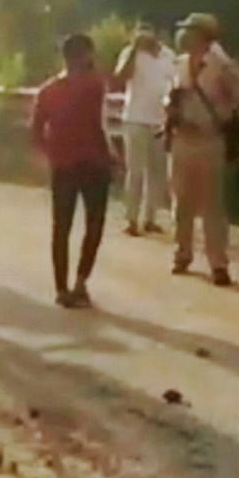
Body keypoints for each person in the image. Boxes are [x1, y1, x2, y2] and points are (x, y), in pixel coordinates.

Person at [165, 13, 239, 285]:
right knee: (181, 202)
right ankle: (182, 253)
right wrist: (171, 109)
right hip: (182, 138)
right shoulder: (178, 64)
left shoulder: (223, 67)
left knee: (212, 205)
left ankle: (218, 263)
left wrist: (237, 132)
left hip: (210, 139)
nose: (185, 35)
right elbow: (168, 97)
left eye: (191, 31)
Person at [31, 34, 115, 308]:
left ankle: (60, 287)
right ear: (87, 54)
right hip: (94, 163)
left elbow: (35, 132)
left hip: (63, 165)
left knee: (61, 227)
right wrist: (114, 157)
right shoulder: (94, 85)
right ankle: (81, 281)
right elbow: (100, 125)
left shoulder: (47, 90)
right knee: (94, 224)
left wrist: (51, 153)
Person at [114, 22, 176, 236]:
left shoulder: (169, 56)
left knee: (157, 173)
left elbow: (175, 84)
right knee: (135, 171)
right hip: (135, 118)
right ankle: (131, 219)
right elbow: (121, 77)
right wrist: (133, 49)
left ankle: (150, 218)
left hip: (160, 119)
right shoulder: (131, 53)